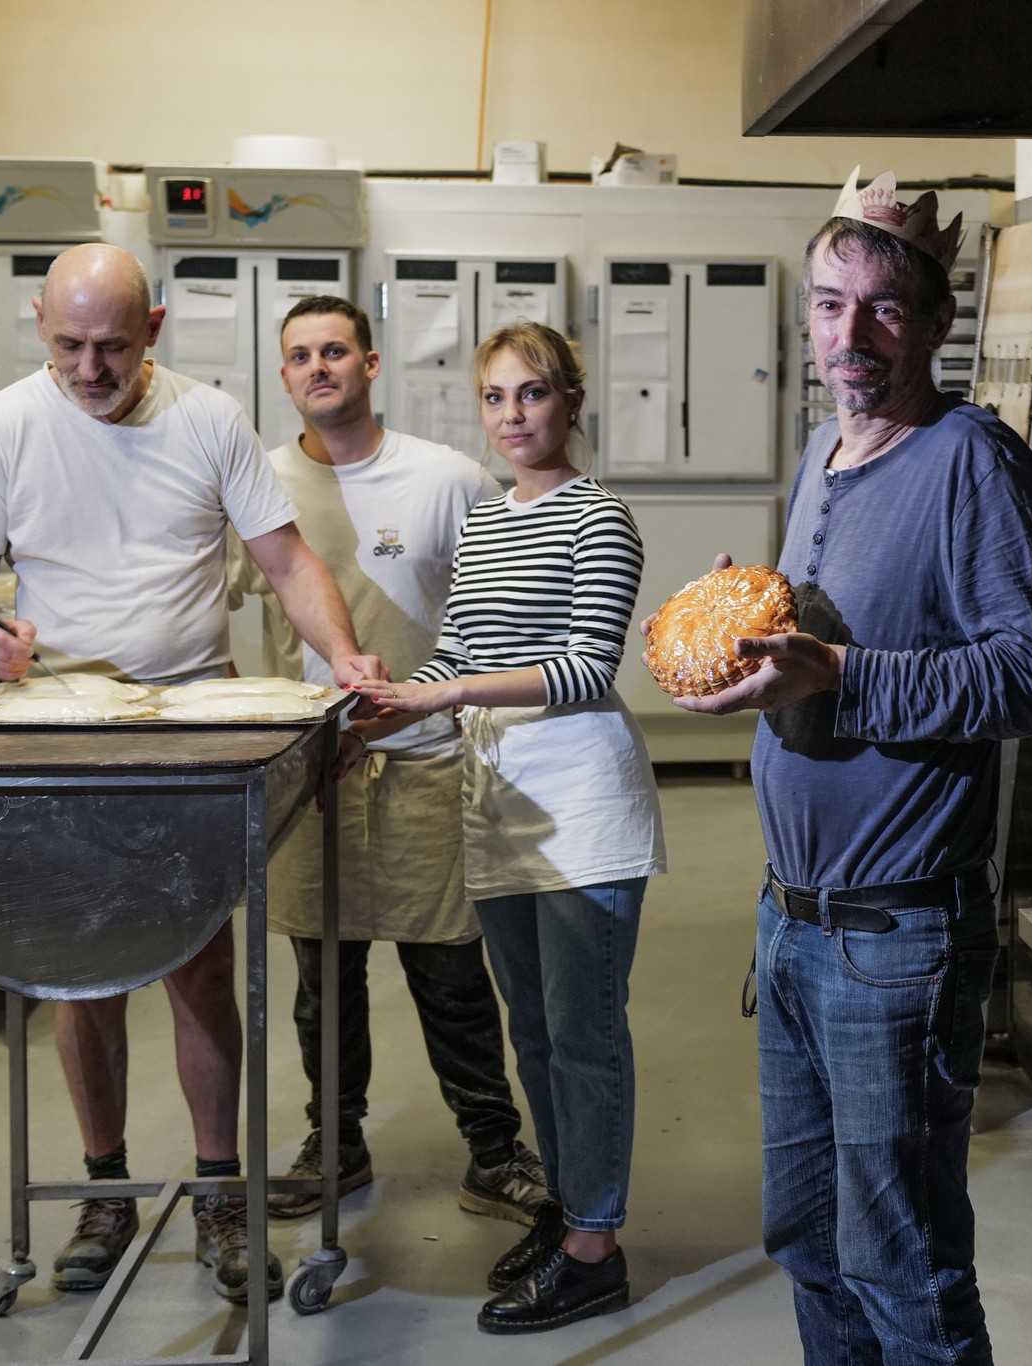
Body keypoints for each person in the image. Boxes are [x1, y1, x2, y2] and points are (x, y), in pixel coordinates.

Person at [671, 168, 1032, 1364]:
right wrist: (754, 631)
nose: (850, 334)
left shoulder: (970, 464)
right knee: (806, 1239)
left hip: (894, 938)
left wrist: (842, 672)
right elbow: (826, 645)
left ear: (937, 322)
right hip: (791, 925)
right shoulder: (819, 455)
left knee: (901, 1266)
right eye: (827, 303)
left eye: (883, 307)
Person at [0, 243, 383, 1304]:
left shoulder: (206, 419)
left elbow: (287, 564)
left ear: (158, 329)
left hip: (190, 724)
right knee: (78, 976)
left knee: (197, 969)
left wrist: (343, 656)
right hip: (59, 730)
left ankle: (220, 1191)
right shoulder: (0, 427)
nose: (90, 369)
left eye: (114, 348)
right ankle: (105, 1187)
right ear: (39, 321)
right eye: (69, 346)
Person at [354, 321, 665, 1335]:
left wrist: (443, 698)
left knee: (583, 1034)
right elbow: (457, 651)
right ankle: (571, 1210)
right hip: (496, 802)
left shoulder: (598, 517)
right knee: (531, 1030)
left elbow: (585, 667)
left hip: (580, 803)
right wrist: (394, 692)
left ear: (571, 401)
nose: (512, 415)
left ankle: (596, 1248)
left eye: (531, 393)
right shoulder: (485, 521)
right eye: (495, 397)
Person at [223, 294, 550, 1227]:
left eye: (335, 351)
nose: (317, 367)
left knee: (448, 972)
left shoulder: (443, 477)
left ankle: (493, 1150)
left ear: (371, 366)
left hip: (426, 757)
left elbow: (501, 598)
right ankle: (337, 1141)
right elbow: (224, 594)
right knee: (323, 977)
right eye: (298, 356)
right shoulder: (262, 486)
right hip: (313, 769)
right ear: (283, 376)